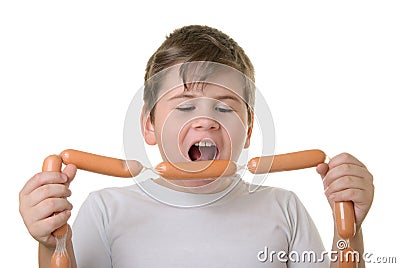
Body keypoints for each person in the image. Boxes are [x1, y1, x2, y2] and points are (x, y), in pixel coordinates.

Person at [19, 25, 374, 267]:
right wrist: (51, 242)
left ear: (249, 129)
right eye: (185, 106)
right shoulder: (106, 209)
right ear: (149, 125)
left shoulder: (284, 207)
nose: (205, 120)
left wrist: (351, 231)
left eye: (224, 107)